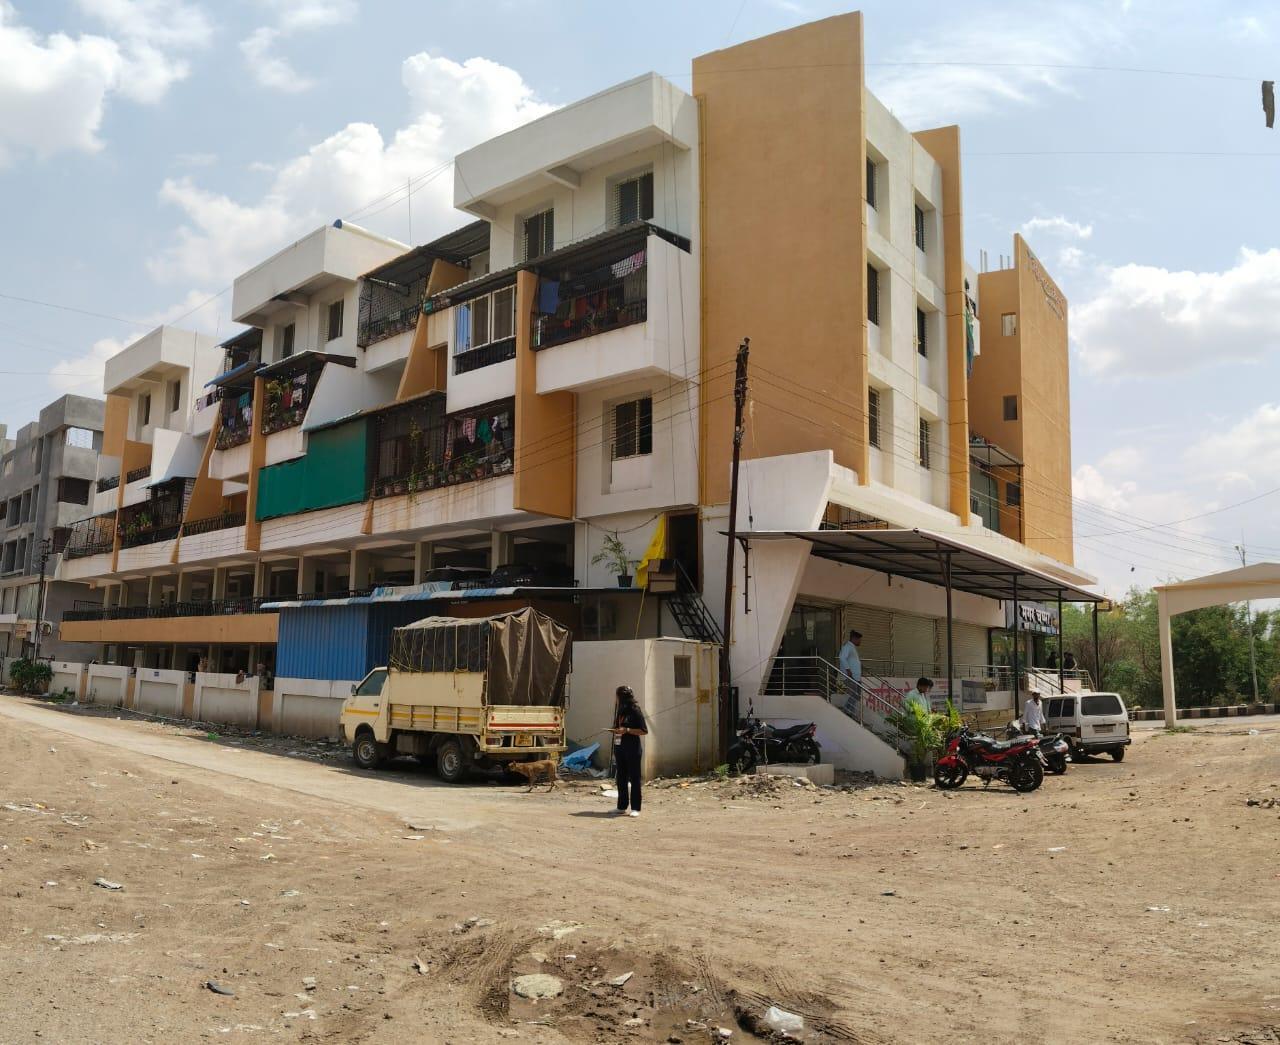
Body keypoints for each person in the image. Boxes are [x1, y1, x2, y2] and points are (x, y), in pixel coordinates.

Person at [611, 685, 648, 818]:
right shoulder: (620, 711)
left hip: (632, 749)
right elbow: (618, 727)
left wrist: (627, 730)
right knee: (621, 778)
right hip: (620, 748)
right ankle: (621, 806)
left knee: (634, 778)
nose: (615, 699)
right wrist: (615, 730)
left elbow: (644, 731)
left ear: (621, 697)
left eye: (616, 696)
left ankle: (636, 808)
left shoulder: (635, 710)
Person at [838, 629, 863, 704]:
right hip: (850, 677)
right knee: (854, 694)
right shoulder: (847, 646)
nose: (860, 642)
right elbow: (842, 657)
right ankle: (847, 712)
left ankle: (849, 712)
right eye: (859, 640)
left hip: (856, 677)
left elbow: (852, 660)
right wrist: (848, 670)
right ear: (854, 639)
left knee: (857, 696)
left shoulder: (852, 647)